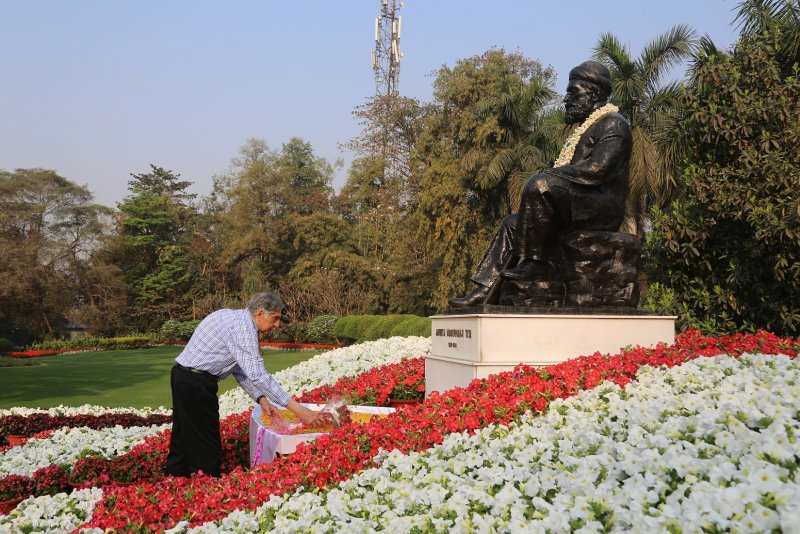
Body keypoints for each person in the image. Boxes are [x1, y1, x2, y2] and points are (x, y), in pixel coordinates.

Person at [449, 60, 633, 307]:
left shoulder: (614, 123)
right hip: (579, 201)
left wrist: (551, 177)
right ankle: (486, 290)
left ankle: (534, 263)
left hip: (601, 205)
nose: (566, 99)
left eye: (573, 92)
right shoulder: (584, 129)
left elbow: (598, 170)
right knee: (513, 223)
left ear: (595, 94)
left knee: (541, 185)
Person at [164, 291, 327, 477]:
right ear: (259, 313)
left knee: (183, 437)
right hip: (196, 383)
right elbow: (257, 374)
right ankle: (205, 489)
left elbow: (240, 369)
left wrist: (262, 399)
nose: (277, 324)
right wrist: (299, 410)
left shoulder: (233, 318)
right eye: (275, 318)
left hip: (184, 377)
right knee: (206, 444)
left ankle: (174, 482)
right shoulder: (243, 328)